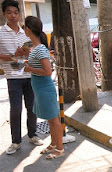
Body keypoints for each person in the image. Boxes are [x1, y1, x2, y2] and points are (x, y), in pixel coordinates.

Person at [0, 0, 43, 155]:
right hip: (13, 78)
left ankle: (33, 135)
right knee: (16, 109)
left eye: (16, 12)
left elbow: (34, 50)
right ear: (4, 14)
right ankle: (16, 141)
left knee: (32, 108)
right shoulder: (0, 32)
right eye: (9, 12)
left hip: (30, 74)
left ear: (19, 14)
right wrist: (13, 56)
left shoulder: (26, 31)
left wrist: (27, 53)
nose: (13, 15)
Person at [23, 16, 64, 159]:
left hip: (45, 88)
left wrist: (29, 69)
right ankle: (53, 144)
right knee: (50, 119)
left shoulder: (39, 49)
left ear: (28, 29)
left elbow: (48, 72)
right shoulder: (36, 48)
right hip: (40, 89)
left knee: (53, 119)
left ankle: (59, 148)